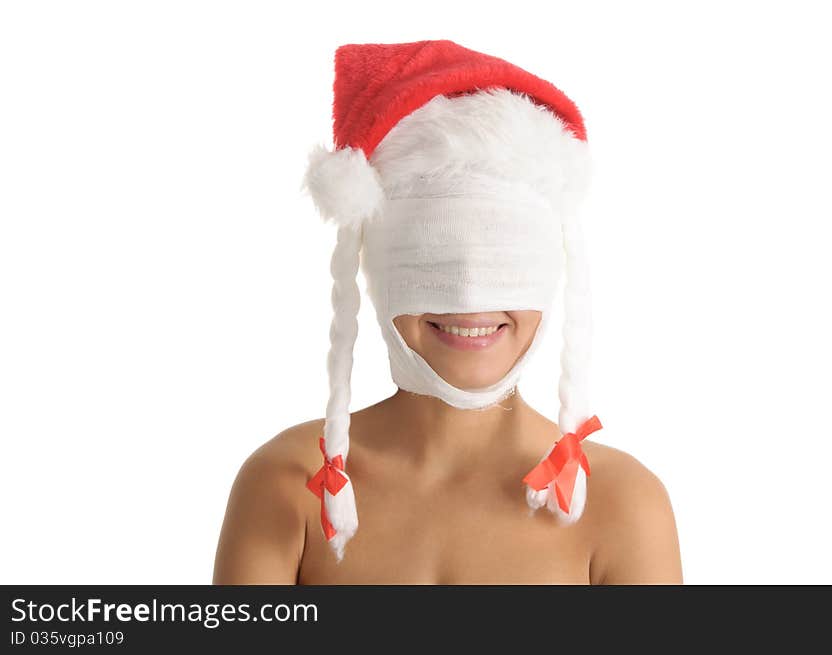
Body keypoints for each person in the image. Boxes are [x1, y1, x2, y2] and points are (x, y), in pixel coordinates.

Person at [213, 39, 682, 584]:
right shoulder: (287, 487)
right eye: (432, 251)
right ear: (374, 263)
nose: (469, 292)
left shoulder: (623, 507)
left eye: (502, 252)